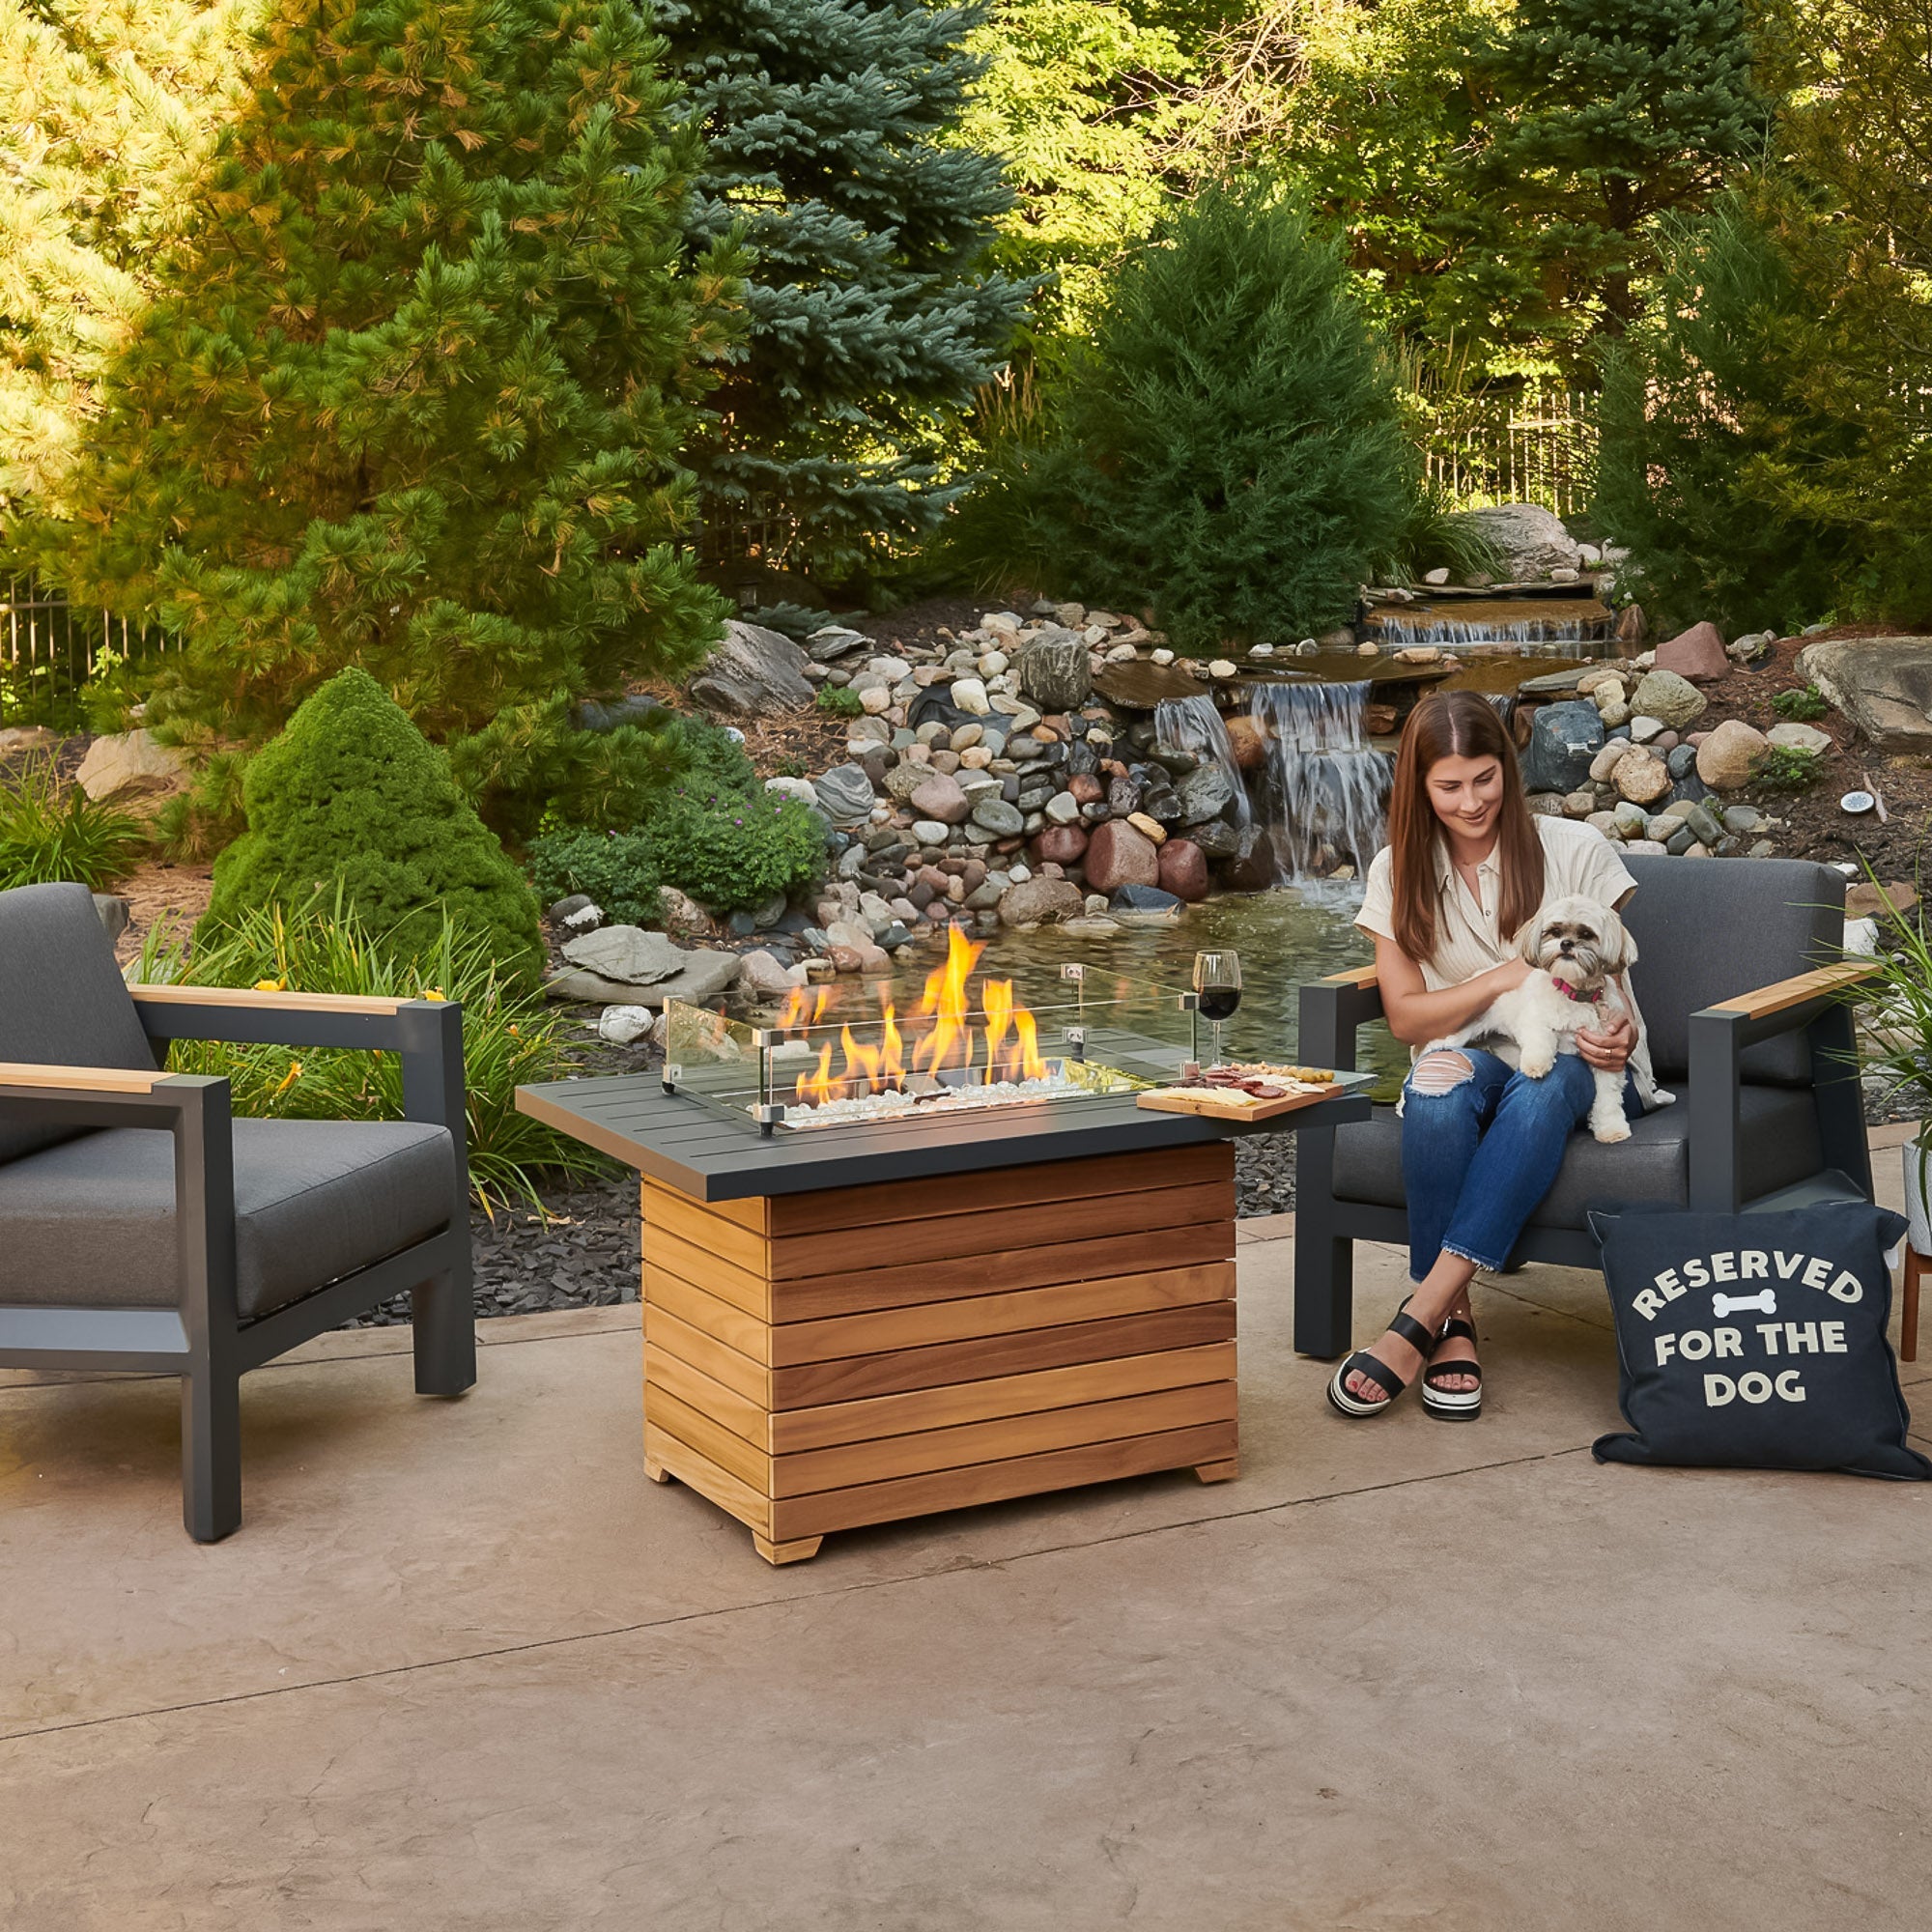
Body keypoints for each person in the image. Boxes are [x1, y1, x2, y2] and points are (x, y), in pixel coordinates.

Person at [1330, 690, 1665, 1422]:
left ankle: (1423, 1316)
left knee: (1542, 1088)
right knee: (1438, 1088)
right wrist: (1505, 977)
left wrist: (1624, 1037)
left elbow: (1613, 987)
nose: (1472, 800)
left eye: (1486, 778)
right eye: (1449, 786)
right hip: (1477, 1048)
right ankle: (1455, 1324)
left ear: (1507, 771)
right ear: (1418, 788)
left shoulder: (1576, 851)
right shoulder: (1399, 868)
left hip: (1586, 1054)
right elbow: (1405, 1016)